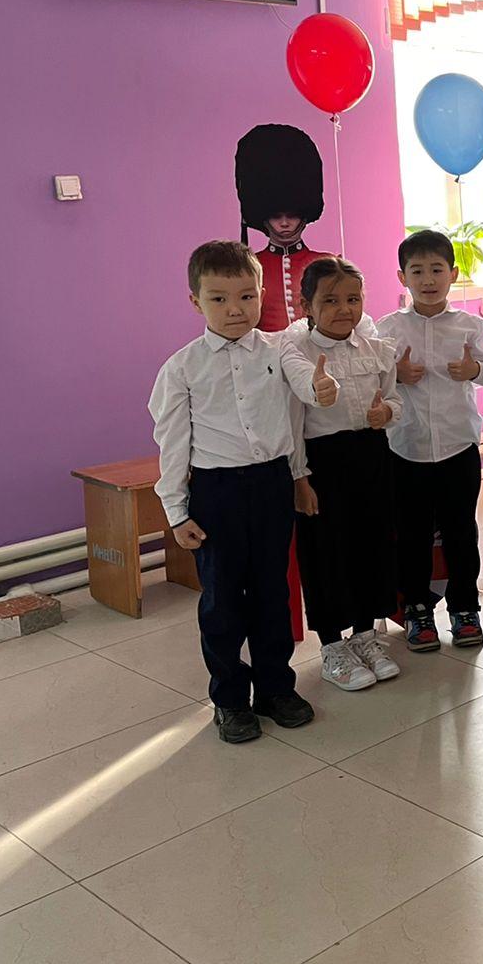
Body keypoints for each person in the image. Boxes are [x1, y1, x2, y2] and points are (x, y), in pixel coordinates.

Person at [148, 240, 337, 744]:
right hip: (217, 492)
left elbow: (301, 398)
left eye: (246, 296)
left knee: (273, 593)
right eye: (219, 298)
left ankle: (275, 688)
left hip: (271, 484)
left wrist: (321, 392)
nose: (235, 309)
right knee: (223, 601)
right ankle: (230, 698)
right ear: (196, 301)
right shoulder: (182, 368)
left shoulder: (280, 349)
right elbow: (172, 443)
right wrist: (175, 510)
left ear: (261, 294)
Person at [285, 258, 404, 692]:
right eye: (330, 300)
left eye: (353, 299)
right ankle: (333, 645)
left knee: (373, 545)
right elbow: (292, 424)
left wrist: (385, 412)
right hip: (322, 464)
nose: (344, 309)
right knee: (326, 553)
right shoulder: (297, 355)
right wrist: (300, 478)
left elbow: (395, 399)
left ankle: (366, 635)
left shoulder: (376, 350)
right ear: (307, 306)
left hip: (371, 456)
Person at [375, 230, 483, 653]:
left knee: (461, 532)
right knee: (412, 536)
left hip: (459, 447)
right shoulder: (388, 328)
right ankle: (417, 610)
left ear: (453, 274)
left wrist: (473, 371)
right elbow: (372, 379)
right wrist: (397, 375)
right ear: (402, 277)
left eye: (437, 270)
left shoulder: (471, 325)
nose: (428, 279)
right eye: (417, 271)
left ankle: (465, 610)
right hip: (406, 449)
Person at [233, 123, 331, 333]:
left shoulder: (328, 263)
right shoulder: (249, 266)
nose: (284, 223)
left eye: (292, 215)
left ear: (304, 214)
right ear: (263, 216)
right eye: (276, 216)